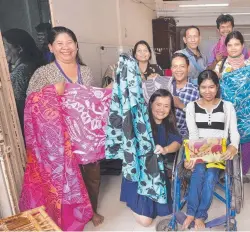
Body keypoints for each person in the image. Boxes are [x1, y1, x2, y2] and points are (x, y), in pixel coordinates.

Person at [26, 26, 104, 226]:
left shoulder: (85, 71)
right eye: (59, 43)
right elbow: (30, 103)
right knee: (66, 180)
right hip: (60, 140)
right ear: (51, 48)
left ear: (76, 46)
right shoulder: (43, 73)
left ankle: (91, 210)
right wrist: (52, 90)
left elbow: (92, 102)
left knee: (92, 178)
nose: (65, 47)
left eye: (69, 42)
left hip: (86, 138)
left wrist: (107, 93)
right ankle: (70, 216)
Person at [183, 70, 240, 230]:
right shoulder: (191, 107)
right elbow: (193, 134)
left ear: (217, 87)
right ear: (198, 88)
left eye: (211, 87)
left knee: (210, 176)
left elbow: (233, 132)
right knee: (198, 172)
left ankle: (200, 215)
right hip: (199, 152)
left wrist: (233, 146)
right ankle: (190, 213)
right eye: (203, 87)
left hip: (218, 153)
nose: (208, 91)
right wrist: (192, 157)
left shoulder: (227, 107)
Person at [120, 89, 182, 227]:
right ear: (151, 104)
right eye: (158, 104)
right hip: (138, 173)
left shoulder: (168, 123)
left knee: (164, 212)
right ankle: (132, 199)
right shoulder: (141, 121)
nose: (162, 109)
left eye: (166, 106)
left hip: (157, 173)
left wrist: (165, 149)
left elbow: (177, 142)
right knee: (146, 222)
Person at [214, 31, 250, 181]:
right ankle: (228, 173)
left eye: (237, 44)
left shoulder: (249, 65)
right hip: (227, 111)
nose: (233, 48)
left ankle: (242, 173)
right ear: (225, 47)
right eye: (230, 45)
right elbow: (214, 88)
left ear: (242, 45)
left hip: (247, 113)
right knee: (227, 141)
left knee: (247, 143)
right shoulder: (220, 66)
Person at [3, 28, 43, 136]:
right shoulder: (32, 65)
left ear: (19, 49)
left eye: (5, 47)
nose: (2, 51)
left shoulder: (22, 71)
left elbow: (18, 105)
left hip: (25, 127)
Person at [170, 53, 199, 138]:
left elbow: (200, 118)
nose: (178, 70)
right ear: (171, 69)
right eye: (175, 66)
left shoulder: (196, 92)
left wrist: (181, 105)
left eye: (182, 66)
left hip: (185, 139)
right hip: (163, 138)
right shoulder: (164, 86)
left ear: (188, 68)